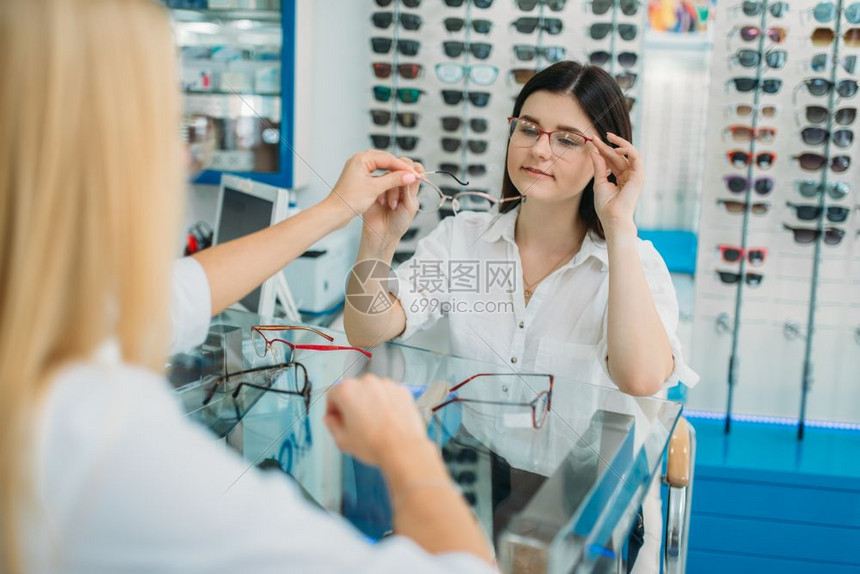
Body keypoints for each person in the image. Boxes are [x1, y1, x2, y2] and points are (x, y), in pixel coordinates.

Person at [0, 1, 495, 572]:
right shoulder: (103, 451)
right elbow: (368, 325)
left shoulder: (46, 344)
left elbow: (181, 291)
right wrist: (405, 445)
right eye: (170, 123)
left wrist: (338, 208)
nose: (182, 159)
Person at [343, 61, 700, 572]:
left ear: (609, 160)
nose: (539, 148)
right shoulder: (464, 240)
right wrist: (378, 237)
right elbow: (368, 327)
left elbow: (641, 378)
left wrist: (618, 222)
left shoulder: (631, 263)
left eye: (569, 139)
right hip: (481, 490)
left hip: (590, 511)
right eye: (528, 128)